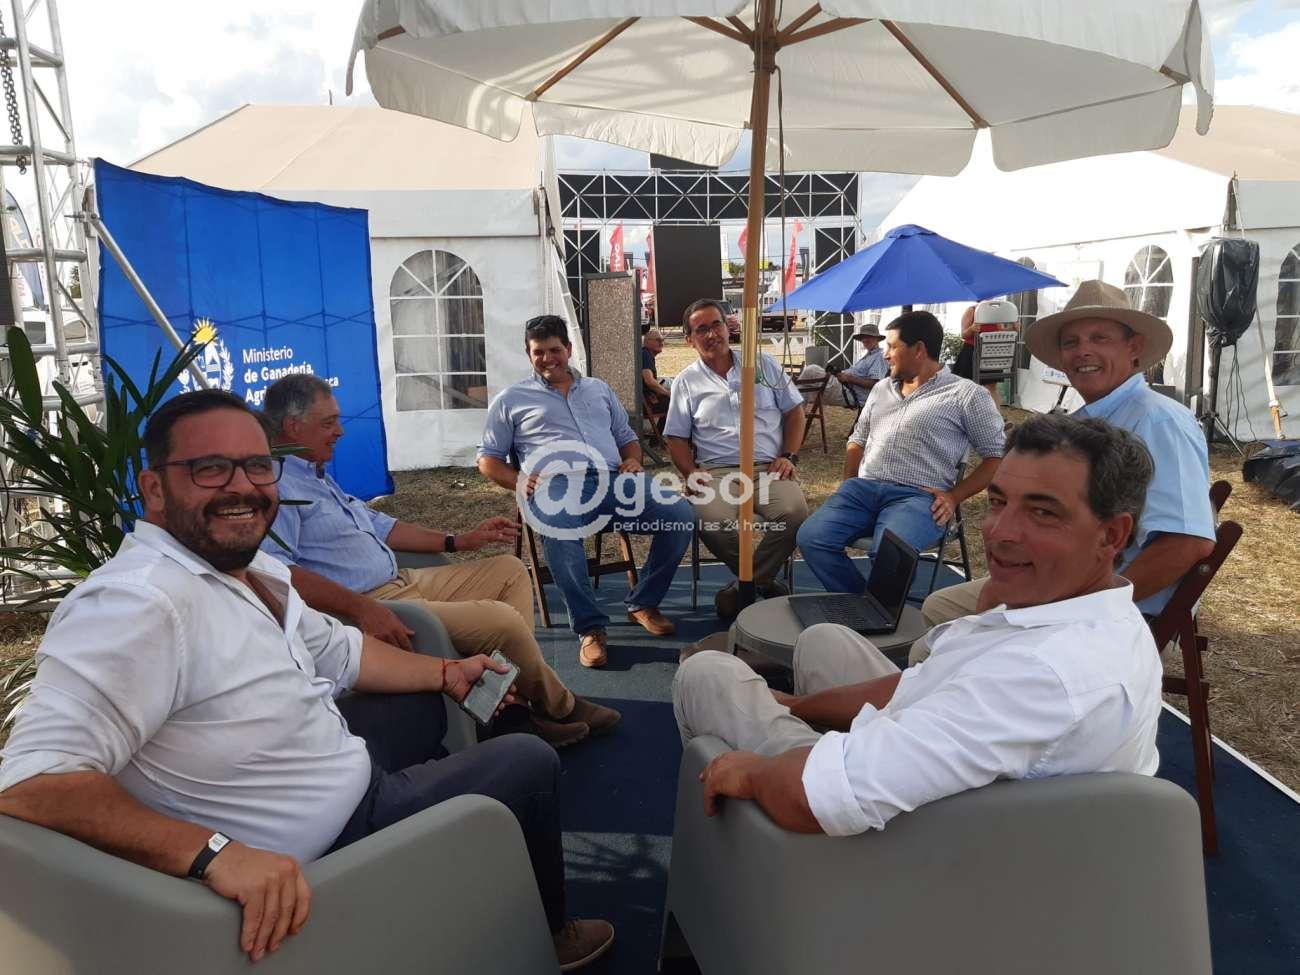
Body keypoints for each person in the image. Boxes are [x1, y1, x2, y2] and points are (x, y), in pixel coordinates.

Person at [0, 389, 614, 970]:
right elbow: (30, 780)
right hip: (328, 847)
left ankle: (432, 868)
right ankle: (547, 934)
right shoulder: (139, 605)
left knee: (426, 703)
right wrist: (214, 854)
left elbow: (345, 654)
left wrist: (448, 671)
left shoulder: (250, 569)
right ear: (154, 489)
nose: (242, 486)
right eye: (210, 469)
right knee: (527, 761)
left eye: (256, 466)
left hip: (319, 770)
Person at [674, 413, 1161, 836]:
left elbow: (812, 797)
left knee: (708, 674)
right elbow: (925, 683)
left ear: (1112, 534)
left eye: (1042, 512)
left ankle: (729, 871)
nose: (999, 532)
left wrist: (754, 773)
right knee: (824, 639)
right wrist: (798, 706)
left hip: (902, 853)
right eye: (998, 502)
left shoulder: (1040, 676)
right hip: (951, 803)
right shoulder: (1106, 617)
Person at [259, 374, 617, 748]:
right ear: (293, 426)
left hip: (404, 580)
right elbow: (276, 573)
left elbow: (383, 526)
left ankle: (512, 709)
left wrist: (459, 541)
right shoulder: (278, 488)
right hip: (374, 603)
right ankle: (560, 706)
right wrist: (361, 608)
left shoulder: (315, 475)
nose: (340, 431)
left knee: (510, 571)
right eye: (329, 422)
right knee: (501, 620)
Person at [916, 280, 1216, 656]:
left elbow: (1187, 544)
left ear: (1134, 347)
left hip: (1116, 608)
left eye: (1100, 338)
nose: (1083, 351)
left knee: (931, 650)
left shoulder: (1158, 421)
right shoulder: (1088, 419)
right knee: (939, 610)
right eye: (1071, 342)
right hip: (1063, 581)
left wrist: (1080, 605)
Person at [478, 315, 694, 668]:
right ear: (528, 354)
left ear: (568, 349)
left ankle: (643, 602)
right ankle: (590, 628)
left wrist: (633, 459)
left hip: (614, 479)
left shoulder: (599, 389)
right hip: (557, 485)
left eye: (554, 350)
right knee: (559, 529)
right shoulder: (511, 399)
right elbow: (487, 459)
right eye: (538, 352)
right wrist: (516, 479)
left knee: (680, 514)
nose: (547, 358)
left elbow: (626, 438)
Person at [796, 310, 1005, 595]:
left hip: (918, 497)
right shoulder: (881, 389)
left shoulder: (966, 394)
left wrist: (954, 496)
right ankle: (864, 604)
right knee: (811, 538)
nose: (885, 355)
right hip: (862, 490)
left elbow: (997, 455)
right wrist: (849, 483)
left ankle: (876, 611)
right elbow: (857, 440)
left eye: (892, 347)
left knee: (889, 550)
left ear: (919, 349)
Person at [664, 298, 809, 618]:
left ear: (728, 327)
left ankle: (747, 587)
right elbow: (675, 437)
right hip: (717, 472)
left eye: (716, 324)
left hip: (769, 468)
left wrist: (789, 455)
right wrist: (690, 473)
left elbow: (794, 412)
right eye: (701, 329)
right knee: (711, 522)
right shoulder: (686, 381)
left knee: (795, 514)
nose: (711, 334)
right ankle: (762, 583)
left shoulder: (762, 365)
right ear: (689, 340)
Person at [953, 298, 1018, 405]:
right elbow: (963, 334)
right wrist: (972, 329)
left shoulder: (996, 312)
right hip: (972, 351)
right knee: (967, 386)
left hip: (991, 352)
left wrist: (1013, 328)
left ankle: (995, 414)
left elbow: (1000, 331)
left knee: (991, 387)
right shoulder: (971, 310)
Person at [836, 323, 888, 408]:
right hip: (847, 388)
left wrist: (849, 378)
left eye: (868, 337)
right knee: (820, 375)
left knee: (814, 372)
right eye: (863, 337)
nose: (865, 340)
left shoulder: (880, 356)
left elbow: (875, 384)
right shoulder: (868, 355)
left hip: (855, 395)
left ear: (877, 339)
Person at [641, 328, 671, 411]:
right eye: (658, 340)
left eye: (662, 340)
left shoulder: (646, 354)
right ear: (647, 341)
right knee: (681, 401)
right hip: (647, 403)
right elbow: (649, 381)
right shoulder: (645, 354)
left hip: (648, 400)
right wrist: (668, 393)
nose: (661, 343)